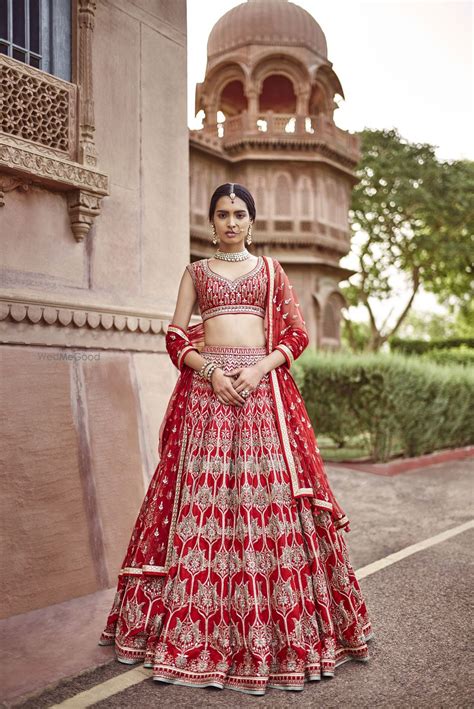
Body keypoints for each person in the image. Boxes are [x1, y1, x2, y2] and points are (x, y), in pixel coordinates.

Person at [98, 182, 374, 695]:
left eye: (239, 214)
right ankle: (194, 634)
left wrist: (261, 369)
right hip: (210, 397)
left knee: (267, 503)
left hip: (262, 396)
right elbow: (176, 335)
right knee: (203, 503)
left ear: (252, 221)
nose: (230, 222)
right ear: (211, 221)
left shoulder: (271, 272)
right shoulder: (196, 272)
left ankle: (281, 638)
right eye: (222, 214)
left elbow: (296, 334)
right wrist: (211, 373)